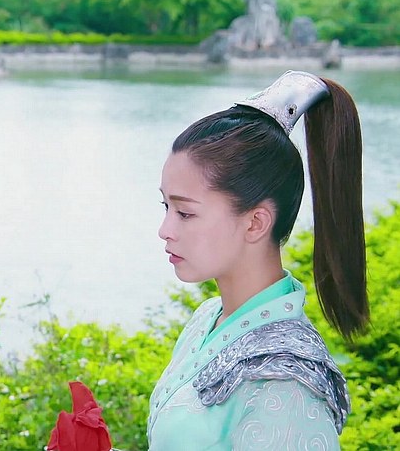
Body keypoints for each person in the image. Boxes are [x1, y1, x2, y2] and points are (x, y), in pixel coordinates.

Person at [148, 70, 368, 449]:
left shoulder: (287, 383)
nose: (165, 230)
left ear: (255, 222)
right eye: (166, 206)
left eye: (185, 213)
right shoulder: (207, 319)